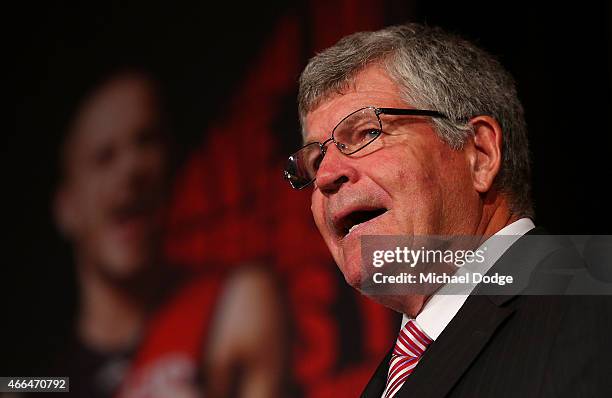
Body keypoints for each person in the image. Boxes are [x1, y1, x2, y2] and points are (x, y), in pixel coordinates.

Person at [284, 23, 611, 397]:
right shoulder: (393, 376)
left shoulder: (592, 311)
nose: (325, 176)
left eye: (367, 134)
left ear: (481, 155)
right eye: (315, 158)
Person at [52, 69, 286, 398]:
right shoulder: (33, 377)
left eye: (146, 141)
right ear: (66, 207)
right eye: (103, 157)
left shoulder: (232, 305)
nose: (131, 169)